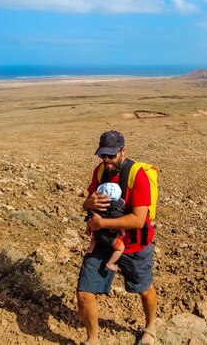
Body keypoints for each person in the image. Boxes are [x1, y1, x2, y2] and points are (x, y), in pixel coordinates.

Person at [76, 130, 157, 345]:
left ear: (123, 151)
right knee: (84, 293)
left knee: (144, 289)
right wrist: (87, 206)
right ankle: (93, 340)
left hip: (133, 245)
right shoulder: (100, 170)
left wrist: (101, 223)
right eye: (103, 155)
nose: (106, 160)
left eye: (111, 155)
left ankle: (150, 327)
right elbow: (89, 202)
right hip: (104, 241)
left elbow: (139, 220)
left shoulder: (137, 175)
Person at [85, 182, 125, 272]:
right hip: (111, 238)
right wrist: (122, 231)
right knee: (120, 249)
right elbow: (121, 224)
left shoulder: (96, 206)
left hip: (97, 234)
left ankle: (91, 248)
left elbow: (89, 219)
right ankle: (110, 263)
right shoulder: (118, 209)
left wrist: (87, 229)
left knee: (94, 236)